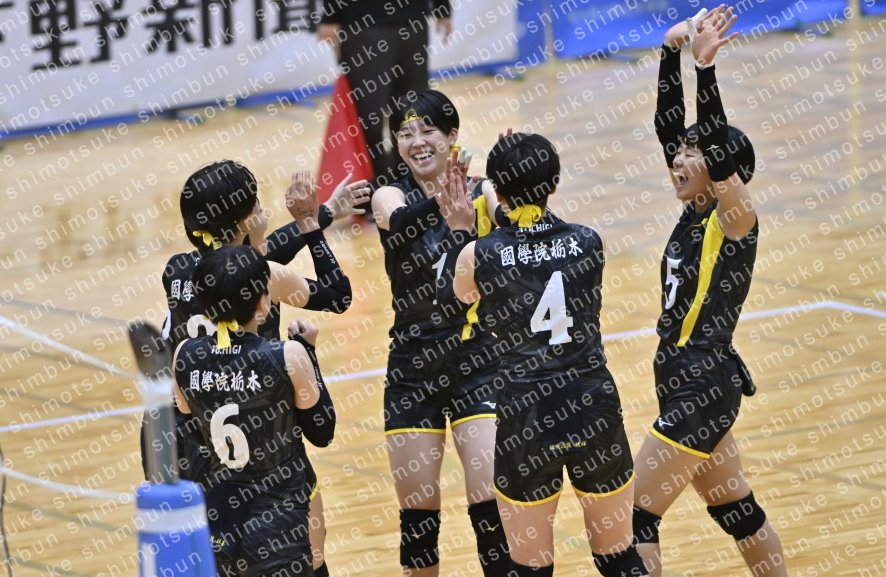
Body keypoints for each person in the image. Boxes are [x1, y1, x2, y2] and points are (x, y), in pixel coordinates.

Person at [437, 132, 647, 577]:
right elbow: (541, 242)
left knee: (530, 568)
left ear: (499, 190)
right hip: (592, 405)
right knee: (619, 558)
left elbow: (453, 301)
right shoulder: (589, 241)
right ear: (554, 184)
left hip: (526, 414)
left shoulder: (479, 253)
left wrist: (459, 228)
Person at [630, 7, 787, 576]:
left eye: (692, 154)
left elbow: (716, 147)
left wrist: (706, 70)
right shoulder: (694, 208)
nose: (679, 158)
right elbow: (669, 126)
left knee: (632, 518)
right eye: (681, 151)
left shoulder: (733, 218)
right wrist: (669, 54)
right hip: (682, 378)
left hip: (702, 383)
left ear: (725, 173)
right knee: (737, 511)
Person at [155, 161, 367, 576]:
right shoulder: (264, 277)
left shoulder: (177, 272)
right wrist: (311, 223)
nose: (264, 212)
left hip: (201, 450)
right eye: (257, 206)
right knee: (306, 557)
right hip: (268, 444)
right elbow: (335, 295)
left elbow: (250, 259)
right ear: (244, 221)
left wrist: (327, 211)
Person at [370, 89, 510, 577]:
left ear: (452, 136)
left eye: (427, 130)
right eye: (405, 134)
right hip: (413, 371)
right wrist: (446, 202)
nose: (417, 141)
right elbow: (400, 224)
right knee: (418, 522)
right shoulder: (389, 195)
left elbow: (514, 218)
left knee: (491, 510)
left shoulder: (483, 190)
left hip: (479, 362)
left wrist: (515, 175)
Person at [172, 245, 336, 577]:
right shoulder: (286, 355)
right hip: (281, 520)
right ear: (263, 303)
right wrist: (309, 353)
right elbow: (322, 432)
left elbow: (191, 429)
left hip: (222, 518)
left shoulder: (184, 355)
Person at [317, 0, 453, 188]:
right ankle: (376, 187)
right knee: (368, 116)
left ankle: (409, 183)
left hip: (412, 17)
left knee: (412, 110)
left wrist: (441, 4)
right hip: (364, 23)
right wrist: (330, 16)